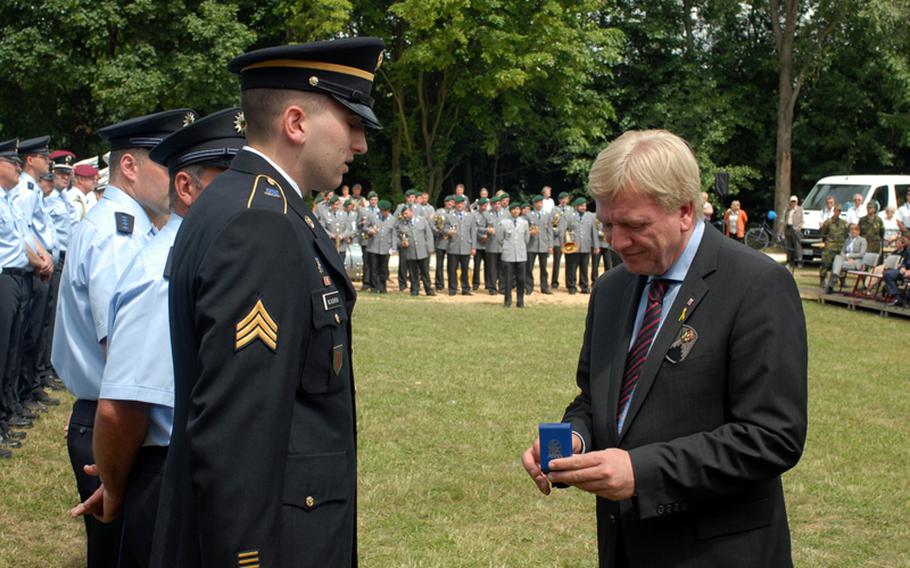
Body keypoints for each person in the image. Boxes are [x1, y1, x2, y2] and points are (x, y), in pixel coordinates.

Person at [522, 129, 807, 568]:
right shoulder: (612, 288)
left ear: (686, 212)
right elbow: (595, 397)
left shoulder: (756, 284)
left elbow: (772, 437)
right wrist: (574, 438)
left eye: (634, 226)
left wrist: (642, 471)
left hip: (719, 553)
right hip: (627, 547)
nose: (616, 243)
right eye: (607, 225)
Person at [151, 37, 382, 568]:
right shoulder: (262, 224)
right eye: (350, 123)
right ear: (296, 123)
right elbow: (239, 435)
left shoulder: (243, 203)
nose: (360, 144)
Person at [69, 108, 244, 568]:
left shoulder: (184, 247)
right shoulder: (147, 258)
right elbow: (122, 391)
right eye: (227, 178)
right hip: (139, 443)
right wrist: (116, 473)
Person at [53, 109, 193, 568]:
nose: (179, 180)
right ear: (130, 166)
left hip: (111, 418)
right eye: (169, 165)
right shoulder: (119, 234)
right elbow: (124, 362)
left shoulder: (123, 224)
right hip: (117, 421)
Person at [397, 205, 435, 296]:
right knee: (413, 273)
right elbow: (398, 237)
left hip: (423, 251)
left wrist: (430, 248)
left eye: (406, 213)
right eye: (403, 214)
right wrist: (402, 243)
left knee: (425, 272)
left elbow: (428, 234)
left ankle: (428, 289)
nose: (405, 215)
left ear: (411, 211)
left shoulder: (422, 220)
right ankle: (414, 290)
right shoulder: (401, 224)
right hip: (410, 251)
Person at [562, 197, 597, 294]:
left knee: (584, 268)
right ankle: (571, 286)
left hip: (585, 246)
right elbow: (563, 231)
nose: (584, 207)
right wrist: (563, 244)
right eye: (581, 206)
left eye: (585, 205)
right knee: (571, 268)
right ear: (576, 206)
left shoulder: (590, 217)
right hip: (572, 246)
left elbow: (593, 231)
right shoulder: (569, 216)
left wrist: (596, 246)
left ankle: (584, 286)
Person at [498, 201, 529, 307]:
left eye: (518, 209)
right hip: (508, 255)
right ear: (510, 211)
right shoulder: (504, 222)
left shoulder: (524, 223)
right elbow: (500, 239)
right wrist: (508, 246)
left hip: (521, 255)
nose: (516, 211)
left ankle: (520, 301)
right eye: (514, 209)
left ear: (520, 211)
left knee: (521, 279)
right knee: (508, 279)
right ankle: (507, 301)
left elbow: (526, 238)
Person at [444, 194, 476, 295]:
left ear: (464, 204)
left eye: (461, 203)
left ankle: (465, 288)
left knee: (465, 269)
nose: (459, 205)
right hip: (453, 246)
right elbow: (444, 229)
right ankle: (452, 289)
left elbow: (473, 232)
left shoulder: (470, 216)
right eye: (457, 204)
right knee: (452, 269)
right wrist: (448, 231)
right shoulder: (449, 216)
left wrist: (473, 247)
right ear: (455, 205)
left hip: (466, 246)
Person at [364, 199, 396, 293]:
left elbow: (393, 234)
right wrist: (370, 231)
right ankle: (374, 287)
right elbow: (365, 227)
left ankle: (382, 287)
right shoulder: (373, 216)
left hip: (385, 247)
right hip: (373, 246)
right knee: (373, 268)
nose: (385, 212)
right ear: (380, 210)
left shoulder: (392, 219)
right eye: (383, 210)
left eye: (387, 211)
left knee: (383, 269)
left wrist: (393, 248)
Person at [825, 223, 868, 293]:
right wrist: (847, 258)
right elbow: (842, 252)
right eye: (851, 230)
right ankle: (835, 275)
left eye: (855, 230)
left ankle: (831, 284)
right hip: (846, 260)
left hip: (856, 262)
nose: (853, 232)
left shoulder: (863, 241)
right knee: (837, 257)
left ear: (858, 231)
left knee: (836, 265)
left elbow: (861, 254)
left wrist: (849, 256)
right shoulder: (847, 240)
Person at [525, 195, 553, 294]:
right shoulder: (529, 215)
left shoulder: (547, 214)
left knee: (544, 268)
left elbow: (550, 230)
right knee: (529, 268)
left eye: (540, 202)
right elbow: (525, 230)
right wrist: (529, 232)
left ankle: (544, 287)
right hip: (531, 245)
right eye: (537, 203)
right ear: (534, 204)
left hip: (543, 245)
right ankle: (529, 287)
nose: (539, 204)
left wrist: (550, 245)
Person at [818, 205, 847, 286]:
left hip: (840, 247)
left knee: (841, 265)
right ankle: (823, 279)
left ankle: (842, 281)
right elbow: (823, 233)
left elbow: (845, 234)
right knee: (825, 264)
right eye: (837, 210)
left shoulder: (843, 223)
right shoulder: (828, 222)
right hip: (830, 246)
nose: (838, 212)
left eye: (840, 211)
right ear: (834, 211)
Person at [551, 191, 571, 289]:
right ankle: (554, 282)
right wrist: (556, 230)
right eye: (562, 199)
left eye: (566, 199)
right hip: (557, 240)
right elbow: (553, 223)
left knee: (569, 262)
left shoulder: (570, 209)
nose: (564, 201)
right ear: (559, 200)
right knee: (557, 261)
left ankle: (569, 282)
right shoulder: (555, 209)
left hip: (568, 240)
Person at [883, 235, 910, 306]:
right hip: (905, 271)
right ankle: (898, 297)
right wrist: (903, 267)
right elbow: (905, 261)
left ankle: (907, 300)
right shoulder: (908, 250)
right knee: (888, 274)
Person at [783, 195, 804, 268]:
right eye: (792, 201)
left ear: (797, 202)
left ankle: (799, 261)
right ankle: (789, 261)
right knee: (788, 245)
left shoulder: (800, 209)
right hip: (788, 228)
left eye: (794, 201)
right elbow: (785, 219)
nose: (793, 203)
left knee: (797, 245)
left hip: (796, 229)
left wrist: (798, 228)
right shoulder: (788, 209)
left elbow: (802, 221)